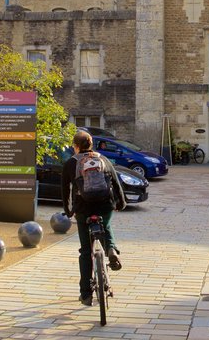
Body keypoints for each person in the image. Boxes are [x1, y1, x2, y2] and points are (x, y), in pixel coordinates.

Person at [62, 129, 126, 306]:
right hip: (104, 205)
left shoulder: (71, 163)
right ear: (91, 144)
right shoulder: (102, 159)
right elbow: (115, 181)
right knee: (105, 224)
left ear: (75, 146)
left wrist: (68, 211)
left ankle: (86, 294)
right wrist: (121, 203)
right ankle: (111, 248)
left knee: (86, 251)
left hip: (83, 208)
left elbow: (65, 190)